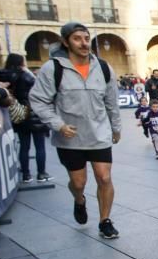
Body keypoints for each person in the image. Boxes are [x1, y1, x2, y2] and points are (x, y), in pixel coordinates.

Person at [29, 21, 121, 238]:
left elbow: (112, 102)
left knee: (104, 177)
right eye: (78, 39)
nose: (84, 43)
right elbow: (38, 100)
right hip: (70, 138)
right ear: (65, 42)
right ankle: (79, 200)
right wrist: (58, 124)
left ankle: (104, 221)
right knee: (78, 182)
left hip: (99, 133)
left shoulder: (104, 68)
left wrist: (115, 128)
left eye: (87, 38)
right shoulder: (53, 68)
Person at [0, 53, 49, 183]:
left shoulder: (4, 75)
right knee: (40, 146)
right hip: (34, 113)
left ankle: (26, 174)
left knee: (24, 146)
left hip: (19, 113)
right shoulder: (27, 75)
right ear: (21, 62)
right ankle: (41, 173)